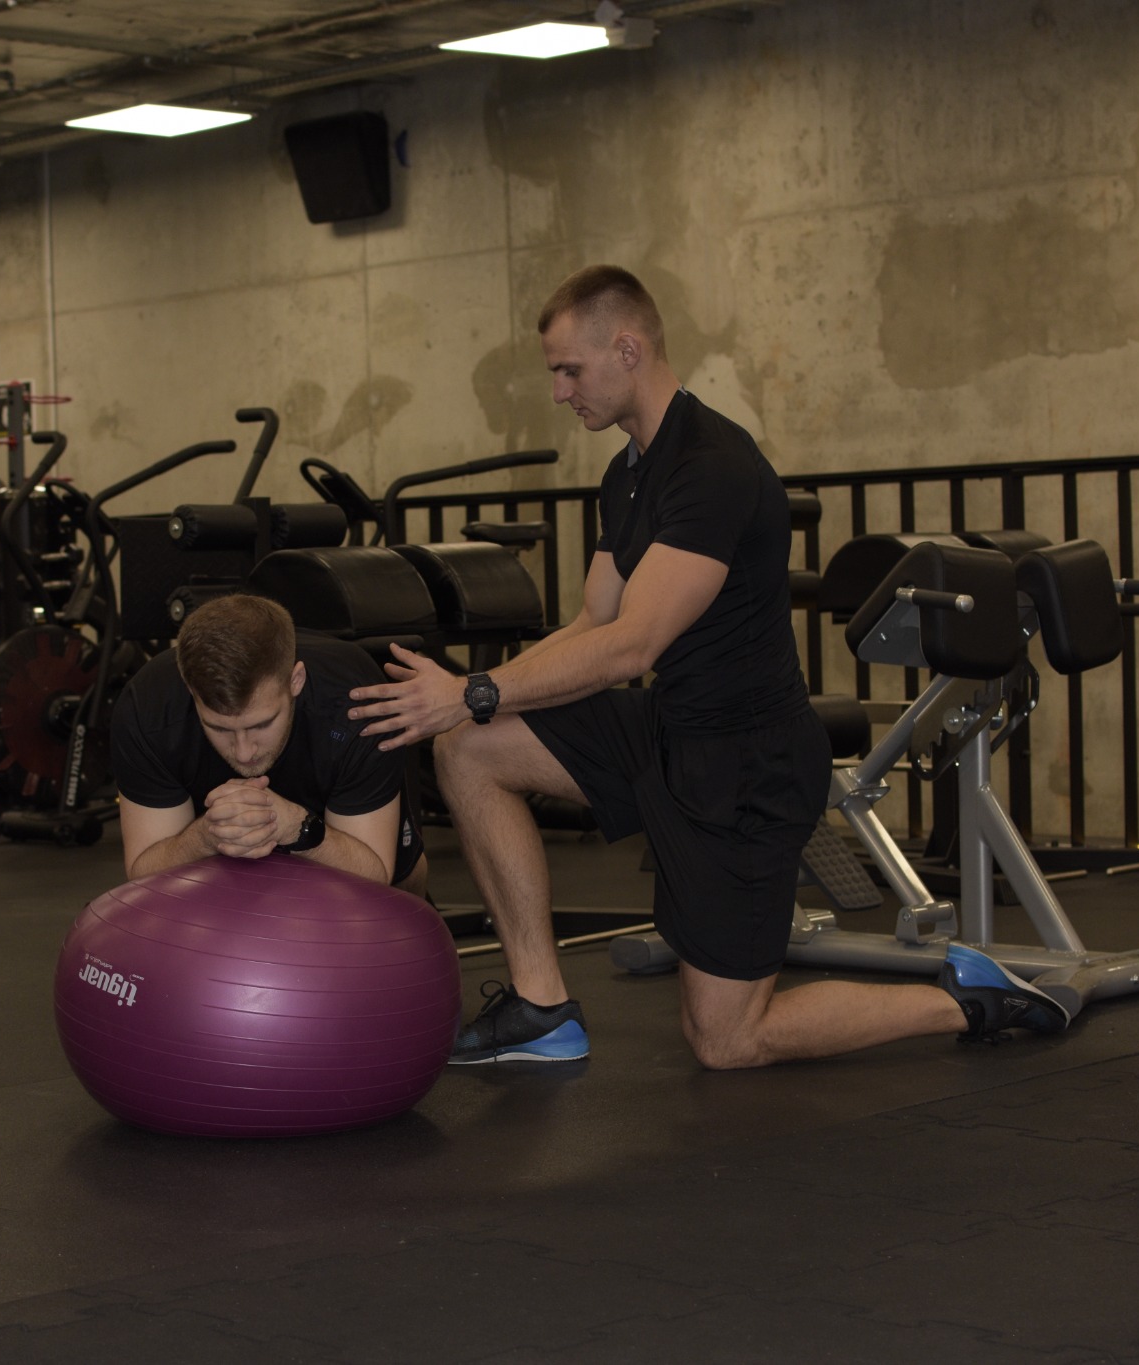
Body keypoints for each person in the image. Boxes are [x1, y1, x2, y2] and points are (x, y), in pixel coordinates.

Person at [347, 265, 1068, 1067]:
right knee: (470, 747)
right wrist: (464, 703)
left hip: (745, 763)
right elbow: (595, 619)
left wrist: (474, 688)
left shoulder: (712, 466)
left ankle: (964, 1001)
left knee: (728, 1040)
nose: (558, 392)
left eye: (568, 370)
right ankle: (541, 1005)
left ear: (627, 349)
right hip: (667, 730)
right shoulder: (625, 476)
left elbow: (632, 646)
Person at [111, 594, 427, 897]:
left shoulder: (359, 702)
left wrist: (296, 827)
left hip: (326, 773)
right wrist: (204, 836)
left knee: (403, 880)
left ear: (295, 680)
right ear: (188, 686)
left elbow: (374, 875)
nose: (243, 752)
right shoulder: (147, 709)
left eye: (261, 724)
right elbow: (144, 876)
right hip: (205, 818)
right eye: (218, 727)